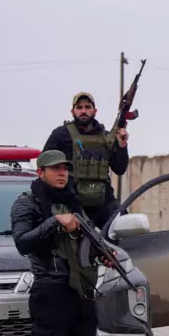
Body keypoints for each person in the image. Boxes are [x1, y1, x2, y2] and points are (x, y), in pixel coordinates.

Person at [10, 149, 113, 336]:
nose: (62, 173)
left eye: (65, 169)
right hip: (51, 290)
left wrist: (103, 254)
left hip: (80, 289)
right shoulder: (26, 203)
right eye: (54, 169)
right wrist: (56, 221)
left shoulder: (72, 201)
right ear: (40, 172)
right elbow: (22, 242)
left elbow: (87, 239)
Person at [42, 91, 130, 232]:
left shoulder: (107, 137)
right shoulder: (60, 135)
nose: (83, 111)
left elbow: (119, 169)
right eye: (79, 107)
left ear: (95, 111)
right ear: (72, 111)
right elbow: (44, 166)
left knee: (125, 230)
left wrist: (122, 146)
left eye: (88, 107)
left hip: (104, 203)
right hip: (72, 203)